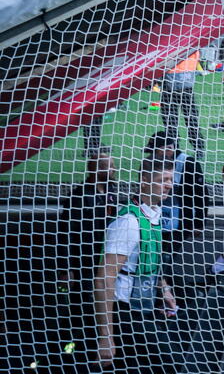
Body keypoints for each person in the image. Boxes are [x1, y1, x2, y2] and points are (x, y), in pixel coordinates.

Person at [94, 156, 179, 373]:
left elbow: (150, 260)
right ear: (144, 180)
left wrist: (164, 288)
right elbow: (104, 278)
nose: (169, 185)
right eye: (163, 180)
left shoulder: (154, 216)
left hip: (144, 307)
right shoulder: (129, 223)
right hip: (125, 314)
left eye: (171, 179)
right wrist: (106, 336)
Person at [57, 147, 122, 370]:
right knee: (80, 308)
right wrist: (66, 268)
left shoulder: (114, 191)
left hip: (104, 260)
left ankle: (99, 345)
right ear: (94, 169)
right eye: (108, 167)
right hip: (83, 261)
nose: (113, 170)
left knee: (103, 304)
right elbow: (65, 233)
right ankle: (69, 350)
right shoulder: (79, 196)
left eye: (112, 166)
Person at [144, 131, 206, 254]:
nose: (152, 155)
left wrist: (199, 222)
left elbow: (201, 195)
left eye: (155, 151)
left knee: (168, 254)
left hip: (181, 221)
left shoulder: (188, 164)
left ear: (168, 149)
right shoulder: (149, 162)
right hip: (153, 217)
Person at [160, 50, 205, 160]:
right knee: (190, 119)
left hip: (169, 85)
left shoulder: (170, 43)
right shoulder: (193, 44)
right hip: (186, 84)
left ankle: (175, 148)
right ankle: (199, 148)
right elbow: (199, 55)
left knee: (171, 120)